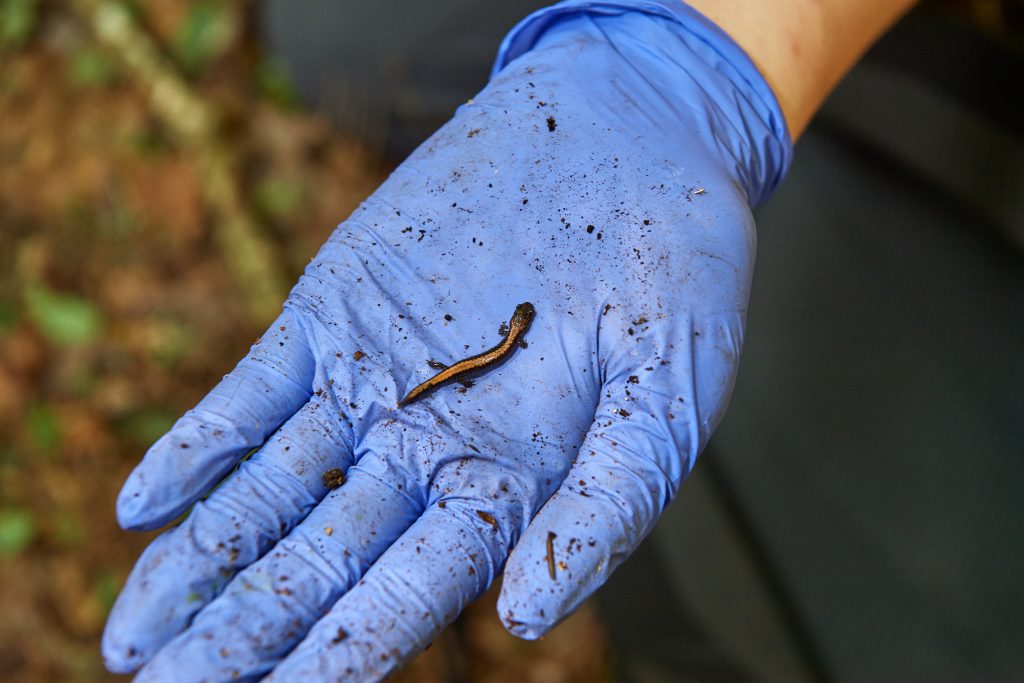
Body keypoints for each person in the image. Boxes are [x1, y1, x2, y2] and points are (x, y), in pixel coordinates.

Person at [100, 1, 927, 680]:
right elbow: (485, 354)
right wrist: (700, 32)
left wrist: (715, 74)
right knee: (345, 36)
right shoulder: (499, 340)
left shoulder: (505, 340)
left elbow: (492, 353)